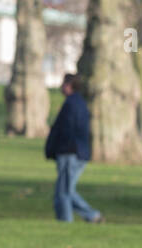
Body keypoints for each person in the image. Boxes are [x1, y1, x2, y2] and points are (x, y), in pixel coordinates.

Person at [44, 74, 103, 224]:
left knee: (64, 192)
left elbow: (66, 130)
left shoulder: (72, 104)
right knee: (65, 191)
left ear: (69, 85)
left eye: (64, 83)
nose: (61, 86)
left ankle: (67, 221)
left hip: (70, 153)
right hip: (75, 152)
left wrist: (58, 147)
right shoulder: (78, 103)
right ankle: (91, 216)